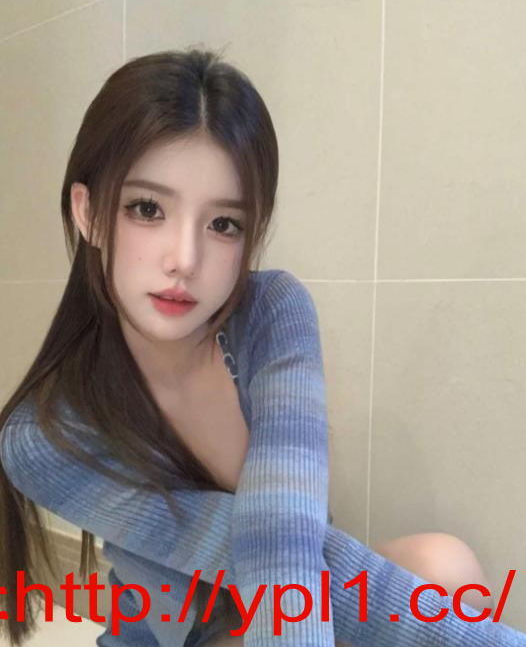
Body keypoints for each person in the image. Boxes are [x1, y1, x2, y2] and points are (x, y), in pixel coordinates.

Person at [0, 47, 524, 647]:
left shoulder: (271, 313)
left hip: (285, 595)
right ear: (89, 212)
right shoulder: (42, 437)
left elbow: (286, 549)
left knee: (445, 566)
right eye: (147, 209)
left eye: (223, 224)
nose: (185, 260)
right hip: (184, 637)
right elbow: (257, 559)